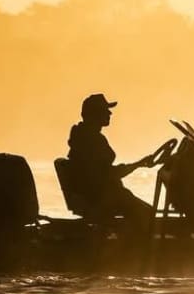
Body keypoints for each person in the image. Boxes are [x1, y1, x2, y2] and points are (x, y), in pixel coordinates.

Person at [66, 93, 158, 226]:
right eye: (105, 110)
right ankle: (138, 239)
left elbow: (104, 172)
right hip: (103, 198)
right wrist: (138, 164)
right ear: (95, 114)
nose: (110, 113)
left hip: (98, 195)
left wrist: (138, 164)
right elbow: (109, 174)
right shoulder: (93, 141)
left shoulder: (82, 138)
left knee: (143, 211)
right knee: (147, 213)